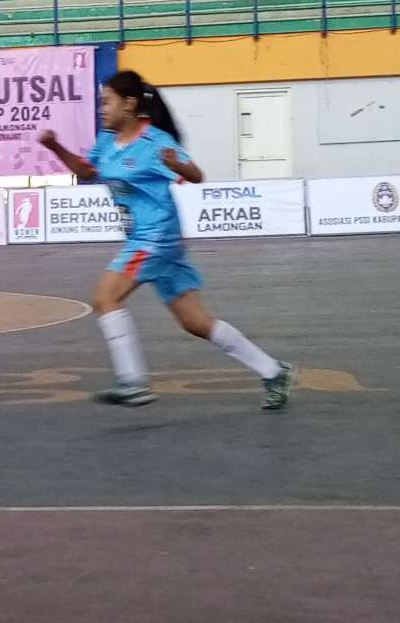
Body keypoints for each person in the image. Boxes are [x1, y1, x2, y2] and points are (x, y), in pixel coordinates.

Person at [38, 70, 295, 410]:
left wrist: (178, 165)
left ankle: (132, 381)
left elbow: (197, 175)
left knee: (104, 297)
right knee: (195, 322)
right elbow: (86, 171)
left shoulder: (156, 142)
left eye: (106, 102)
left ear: (129, 104)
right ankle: (273, 370)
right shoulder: (107, 140)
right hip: (156, 241)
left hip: (155, 235)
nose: (101, 109)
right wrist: (54, 145)